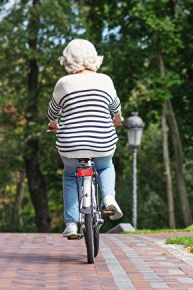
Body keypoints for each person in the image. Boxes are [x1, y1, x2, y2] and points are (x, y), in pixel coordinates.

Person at [47, 39, 124, 238]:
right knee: (105, 166)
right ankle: (108, 198)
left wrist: (53, 124)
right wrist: (118, 119)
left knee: (70, 176)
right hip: (101, 142)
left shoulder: (63, 83)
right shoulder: (105, 80)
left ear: (67, 59)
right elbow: (115, 107)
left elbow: (53, 111)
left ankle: (71, 224)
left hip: (71, 145)